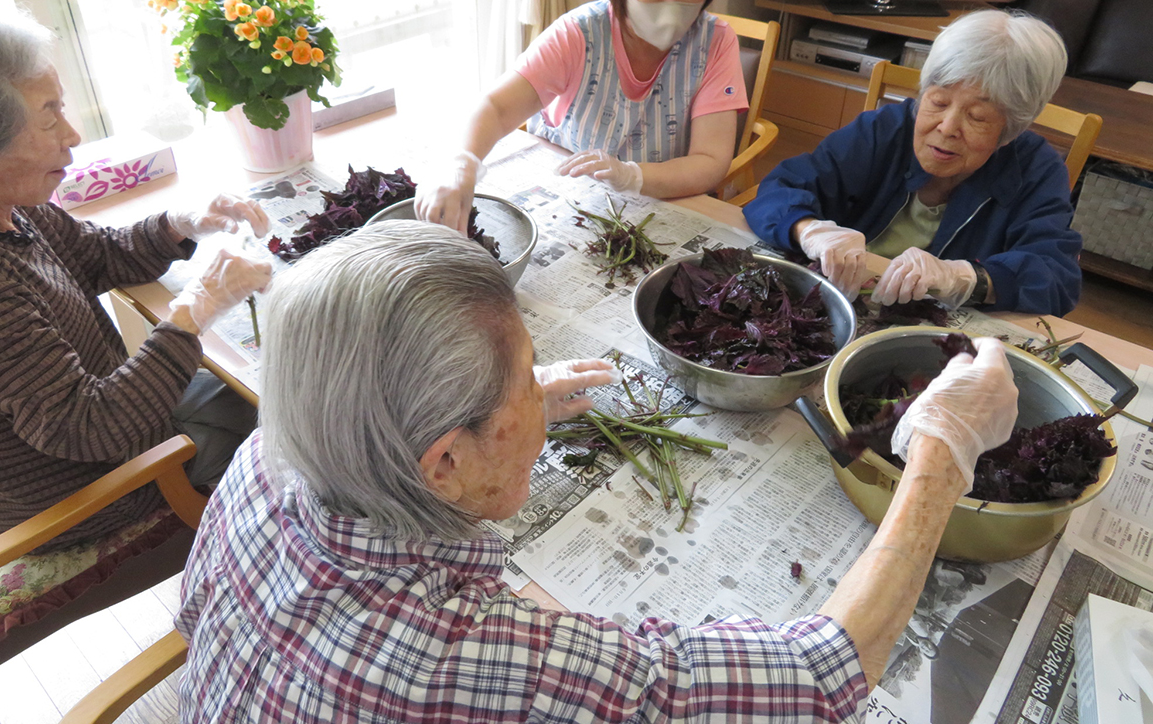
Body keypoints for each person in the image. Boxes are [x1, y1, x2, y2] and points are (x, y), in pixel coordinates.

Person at [177, 220, 1018, 723]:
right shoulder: (471, 656)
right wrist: (940, 451)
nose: (538, 388)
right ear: (442, 461)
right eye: (527, 371)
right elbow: (815, 677)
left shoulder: (275, 451)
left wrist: (503, 409)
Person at [0, 11, 271, 549]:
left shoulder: (3, 204)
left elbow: (96, 255)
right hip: (83, 495)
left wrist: (182, 222)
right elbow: (89, 427)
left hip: (118, 428)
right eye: (49, 118)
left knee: (272, 384)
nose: (73, 136)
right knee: (304, 420)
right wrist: (199, 304)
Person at [418, 0, 749, 233]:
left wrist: (631, 175)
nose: (672, 4)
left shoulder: (715, 42)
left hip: (660, 212)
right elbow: (497, 107)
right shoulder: (580, 35)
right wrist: (462, 162)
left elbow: (709, 161)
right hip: (572, 212)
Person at [744, 9, 1082, 316]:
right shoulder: (882, 131)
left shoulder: (1037, 170)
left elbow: (1057, 276)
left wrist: (963, 277)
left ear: (1010, 130)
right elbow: (779, 189)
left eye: (977, 117)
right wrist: (809, 231)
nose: (947, 128)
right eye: (937, 101)